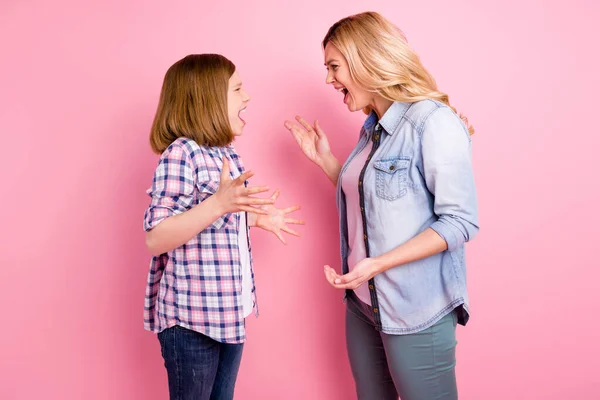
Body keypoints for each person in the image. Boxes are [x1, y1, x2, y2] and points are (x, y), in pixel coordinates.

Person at [284, 12, 479, 400]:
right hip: (363, 304)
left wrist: (378, 264)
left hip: (415, 309)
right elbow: (374, 199)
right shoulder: (372, 128)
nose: (328, 79)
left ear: (364, 59)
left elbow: (460, 223)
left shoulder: (433, 122)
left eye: (334, 67)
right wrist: (325, 161)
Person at [144, 54, 304, 400]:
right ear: (208, 98)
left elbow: (215, 222)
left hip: (228, 312)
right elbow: (157, 237)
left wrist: (254, 218)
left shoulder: (227, 154)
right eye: (238, 89)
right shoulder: (182, 153)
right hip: (191, 321)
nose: (247, 98)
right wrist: (218, 204)